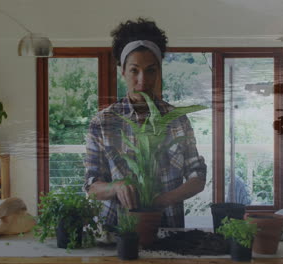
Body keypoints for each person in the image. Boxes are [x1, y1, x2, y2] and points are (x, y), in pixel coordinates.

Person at [83, 18, 206, 228]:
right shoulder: (103, 122)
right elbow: (91, 186)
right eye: (134, 70)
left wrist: (162, 200)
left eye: (151, 70)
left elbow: (198, 176)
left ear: (159, 72)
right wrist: (116, 187)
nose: (143, 80)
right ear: (123, 72)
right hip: (116, 230)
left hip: (167, 228)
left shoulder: (177, 120)